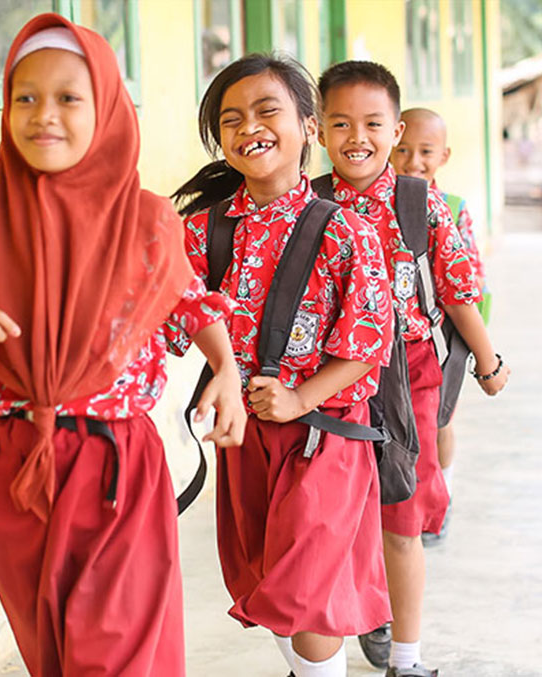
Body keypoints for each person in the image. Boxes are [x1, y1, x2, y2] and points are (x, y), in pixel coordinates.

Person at [0, 13, 245, 677]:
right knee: (53, 655)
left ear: (106, 105)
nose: (42, 114)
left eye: (68, 97)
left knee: (113, 655)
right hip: (15, 468)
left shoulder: (145, 221)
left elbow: (187, 300)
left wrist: (225, 369)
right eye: (25, 96)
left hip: (117, 465)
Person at [173, 53, 395, 677]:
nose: (249, 128)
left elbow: (367, 342)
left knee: (307, 591)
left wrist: (300, 399)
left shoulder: (345, 231)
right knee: (266, 578)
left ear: (309, 125)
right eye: (231, 119)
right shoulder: (201, 234)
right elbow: (167, 322)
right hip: (243, 436)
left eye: (267, 111)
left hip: (323, 436)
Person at [317, 61, 510, 677]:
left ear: (395, 130)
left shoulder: (419, 203)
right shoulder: (308, 203)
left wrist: (487, 359)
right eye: (340, 122)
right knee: (338, 515)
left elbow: (458, 290)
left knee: (401, 520)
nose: (357, 137)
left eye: (373, 123)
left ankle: (408, 655)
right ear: (318, 129)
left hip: (410, 374)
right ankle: (363, 614)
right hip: (329, 380)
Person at [391, 107, 489, 544]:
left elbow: (470, 282)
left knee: (438, 424)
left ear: (444, 156)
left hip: (444, 340)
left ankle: (441, 491)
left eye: (425, 151)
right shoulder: (380, 202)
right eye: (404, 150)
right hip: (397, 344)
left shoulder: (451, 208)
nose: (413, 161)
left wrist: (477, 347)